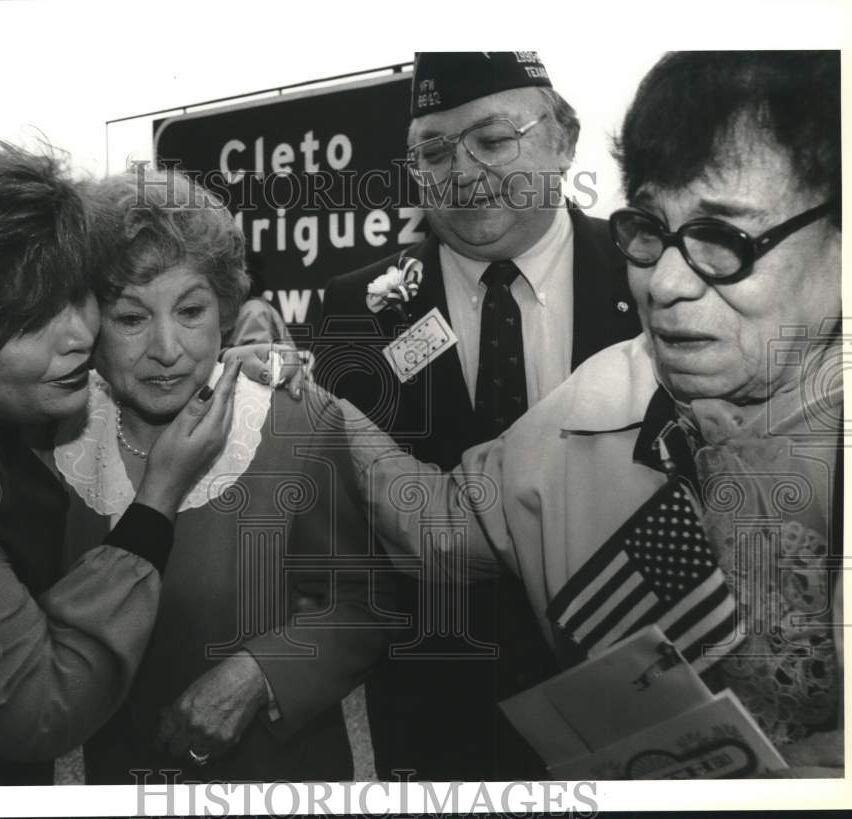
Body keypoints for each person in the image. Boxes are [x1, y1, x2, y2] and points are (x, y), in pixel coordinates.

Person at [346, 50, 842, 777]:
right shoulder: (599, 400)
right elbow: (443, 521)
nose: (665, 283)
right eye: (649, 228)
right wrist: (306, 399)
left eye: (725, 237)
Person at [0, 132, 247, 786]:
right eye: (28, 319)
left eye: (75, 293)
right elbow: (44, 702)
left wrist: (251, 366)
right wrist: (157, 499)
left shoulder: (4, 408)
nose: (79, 333)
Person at [317, 51, 641, 779]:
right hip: (439, 724)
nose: (461, 172)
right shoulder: (357, 307)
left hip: (635, 706)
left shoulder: (646, 278)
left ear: (563, 137)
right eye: (433, 151)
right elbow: (344, 534)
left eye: (493, 140)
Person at [55, 169, 391, 783]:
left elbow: (366, 605)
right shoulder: (58, 440)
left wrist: (260, 672)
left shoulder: (294, 419)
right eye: (130, 318)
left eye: (190, 310)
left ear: (226, 309)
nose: (167, 348)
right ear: (86, 323)